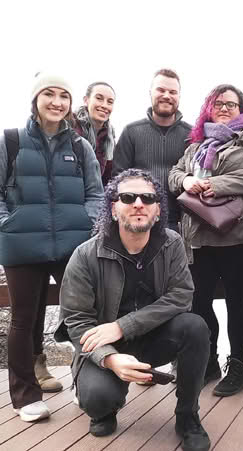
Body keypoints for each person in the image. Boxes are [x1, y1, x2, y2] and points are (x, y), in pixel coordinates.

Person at [54, 169, 211, 451]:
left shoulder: (172, 243)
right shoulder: (86, 254)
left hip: (152, 337)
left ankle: (188, 416)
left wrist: (123, 326)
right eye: (127, 197)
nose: (138, 203)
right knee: (97, 401)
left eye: (147, 198)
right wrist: (110, 360)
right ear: (113, 209)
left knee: (195, 326)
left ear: (157, 210)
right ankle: (107, 404)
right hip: (106, 346)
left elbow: (181, 296)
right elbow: (76, 322)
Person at [0, 72, 103, 422]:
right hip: (21, 244)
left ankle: (85, 384)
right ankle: (25, 395)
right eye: (49, 94)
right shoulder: (10, 141)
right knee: (23, 320)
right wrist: (8, 223)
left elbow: (97, 194)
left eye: (64, 96)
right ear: (35, 99)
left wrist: (87, 224)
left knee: (83, 316)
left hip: (73, 246)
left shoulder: (80, 146)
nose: (57, 102)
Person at [169, 84, 243, 397]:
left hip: (236, 236)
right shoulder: (198, 142)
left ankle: (238, 367)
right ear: (209, 108)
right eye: (218, 104)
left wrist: (217, 183)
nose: (224, 109)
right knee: (199, 302)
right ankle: (210, 362)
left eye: (231, 104)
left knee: (236, 300)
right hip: (198, 237)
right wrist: (187, 180)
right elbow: (175, 173)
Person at [112, 68, 192, 232]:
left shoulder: (191, 135)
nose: (167, 96)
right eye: (161, 90)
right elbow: (118, 178)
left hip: (179, 223)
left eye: (172, 92)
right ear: (150, 93)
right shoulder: (131, 131)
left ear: (179, 96)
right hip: (139, 220)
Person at [73, 81, 117, 185]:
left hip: (94, 196)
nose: (104, 105)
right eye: (99, 98)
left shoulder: (109, 138)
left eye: (110, 102)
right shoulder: (70, 127)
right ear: (86, 100)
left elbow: (108, 178)